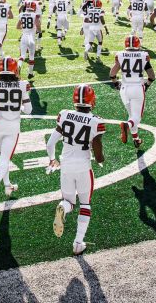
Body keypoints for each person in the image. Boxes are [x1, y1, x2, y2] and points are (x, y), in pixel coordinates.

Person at [46, 84, 106, 256]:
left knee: (69, 202)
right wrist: (101, 160)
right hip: (83, 166)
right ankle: (78, 243)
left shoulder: (64, 115)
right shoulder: (96, 121)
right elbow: (97, 148)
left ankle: (62, 208)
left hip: (66, 166)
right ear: (91, 100)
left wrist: (52, 159)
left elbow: (50, 143)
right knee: (85, 204)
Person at [0, 57, 33, 205]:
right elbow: (29, 110)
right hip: (12, 127)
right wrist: (19, 107)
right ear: (15, 69)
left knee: (3, 156)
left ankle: (7, 186)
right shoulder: (23, 85)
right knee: (5, 159)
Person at [110, 36, 153, 148]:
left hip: (124, 89)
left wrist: (116, 83)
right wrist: (146, 86)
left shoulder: (120, 55)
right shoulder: (144, 55)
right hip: (137, 88)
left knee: (132, 115)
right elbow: (151, 76)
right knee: (136, 118)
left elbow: (112, 73)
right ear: (138, 44)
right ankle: (127, 125)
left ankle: (136, 139)